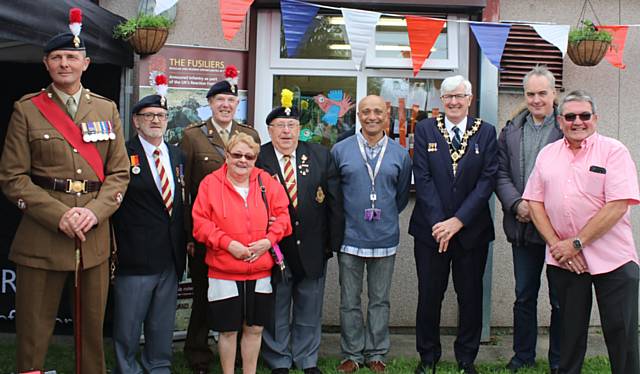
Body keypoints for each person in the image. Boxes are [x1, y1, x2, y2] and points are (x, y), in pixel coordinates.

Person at [0, 9, 130, 373]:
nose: (64, 63)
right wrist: (60, 215)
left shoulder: (106, 109)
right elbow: (13, 177)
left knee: (91, 334)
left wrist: (93, 212)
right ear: (46, 63)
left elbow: (119, 174)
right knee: (32, 332)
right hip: (42, 236)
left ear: (86, 63)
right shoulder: (27, 110)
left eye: (72, 57)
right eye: (57, 57)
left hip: (93, 236)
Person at [523, 90, 640, 374]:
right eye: (570, 116)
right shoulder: (547, 154)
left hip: (614, 259)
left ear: (595, 119)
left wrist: (576, 243)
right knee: (568, 336)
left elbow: (617, 205)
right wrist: (557, 245)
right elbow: (534, 203)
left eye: (584, 115)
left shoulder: (614, 151)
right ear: (560, 120)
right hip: (565, 260)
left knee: (621, 333)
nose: (578, 122)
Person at [409, 75, 497, 374]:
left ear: (470, 98)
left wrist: (458, 222)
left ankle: (466, 357)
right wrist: (439, 224)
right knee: (430, 295)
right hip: (430, 231)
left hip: (471, 231)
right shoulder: (424, 129)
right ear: (441, 100)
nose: (454, 102)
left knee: (470, 295)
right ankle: (428, 356)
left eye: (460, 96)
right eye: (448, 97)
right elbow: (422, 178)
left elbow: (487, 181)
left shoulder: (486, 133)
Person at [257, 91, 344, 374]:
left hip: (312, 247)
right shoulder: (259, 158)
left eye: (291, 125)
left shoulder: (319, 155)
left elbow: (334, 202)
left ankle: (307, 359)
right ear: (269, 130)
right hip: (274, 250)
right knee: (276, 308)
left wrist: (331, 244)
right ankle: (278, 359)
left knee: (309, 307)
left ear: (299, 128)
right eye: (279, 126)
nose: (286, 131)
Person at [180, 67, 261, 374]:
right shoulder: (193, 136)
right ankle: (198, 355)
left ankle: (240, 355)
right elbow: (185, 191)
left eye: (231, 100)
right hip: (207, 234)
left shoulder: (249, 135)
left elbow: (257, 186)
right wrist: (189, 235)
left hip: (245, 235)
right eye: (220, 100)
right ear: (210, 103)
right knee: (203, 295)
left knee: (242, 299)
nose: (226, 105)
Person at [192, 133, 292, 374]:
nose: (242, 160)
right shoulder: (210, 184)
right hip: (224, 270)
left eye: (249, 156)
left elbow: (283, 216)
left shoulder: (266, 181)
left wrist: (268, 241)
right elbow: (200, 224)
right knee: (227, 330)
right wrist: (228, 244)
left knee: (255, 328)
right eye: (236, 155)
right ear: (226, 155)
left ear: (255, 158)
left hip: (259, 270)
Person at [331, 95, 412, 373]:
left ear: (386, 115)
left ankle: (376, 353)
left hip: (384, 239)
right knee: (349, 301)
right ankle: (351, 354)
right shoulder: (341, 150)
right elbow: (335, 195)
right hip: (350, 238)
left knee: (380, 300)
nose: (372, 117)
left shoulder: (400, 154)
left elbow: (400, 197)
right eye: (366, 112)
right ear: (359, 116)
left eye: (378, 111)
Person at [111, 87, 187, 373]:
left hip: (170, 255)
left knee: (162, 322)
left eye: (161, 115)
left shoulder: (178, 155)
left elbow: (180, 202)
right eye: (149, 115)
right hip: (136, 256)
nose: (156, 120)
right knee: (129, 324)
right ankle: (126, 368)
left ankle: (158, 366)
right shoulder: (122, 153)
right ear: (136, 121)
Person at [495, 66, 562, 373]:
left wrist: (541, 209)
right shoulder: (511, 130)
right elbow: (501, 173)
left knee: (561, 300)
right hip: (522, 227)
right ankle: (523, 355)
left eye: (542, 93)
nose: (536, 100)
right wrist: (517, 204)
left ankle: (560, 359)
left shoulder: (567, 127)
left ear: (554, 93)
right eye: (530, 94)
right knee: (524, 295)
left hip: (559, 230)